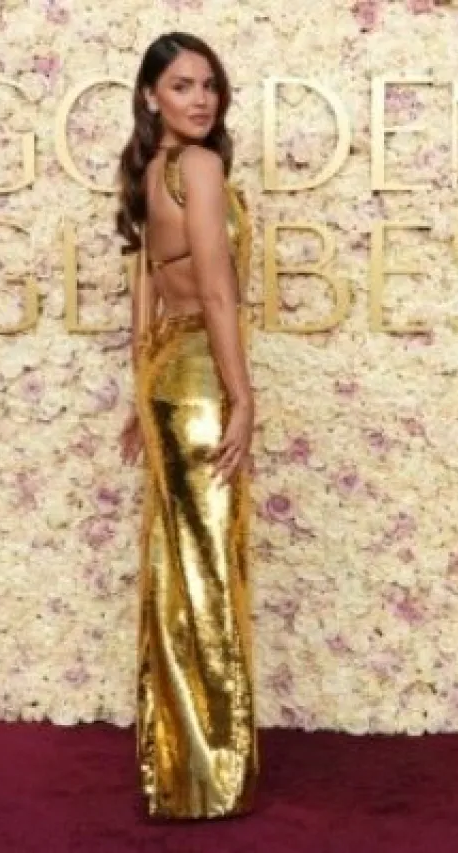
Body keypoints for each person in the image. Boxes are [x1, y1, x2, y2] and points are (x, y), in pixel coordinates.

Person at [114, 32, 258, 820]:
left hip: (166, 383)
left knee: (180, 569)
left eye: (209, 85)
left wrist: (140, 395)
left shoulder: (146, 173)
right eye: (181, 85)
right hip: (201, 383)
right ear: (151, 97)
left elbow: (143, 296)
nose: (201, 99)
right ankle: (205, 772)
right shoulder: (198, 169)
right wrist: (243, 394)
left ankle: (182, 769)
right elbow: (215, 292)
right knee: (204, 573)